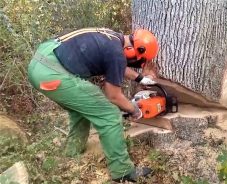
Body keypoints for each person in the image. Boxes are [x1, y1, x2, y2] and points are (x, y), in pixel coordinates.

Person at [27, 28, 159, 182]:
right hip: (53, 73)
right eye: (136, 59)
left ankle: (72, 151)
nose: (134, 61)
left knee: (82, 108)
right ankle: (122, 172)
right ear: (131, 50)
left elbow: (116, 63)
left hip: (41, 60)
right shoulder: (116, 53)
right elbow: (114, 96)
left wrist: (140, 79)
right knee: (109, 115)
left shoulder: (113, 38)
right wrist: (134, 109)